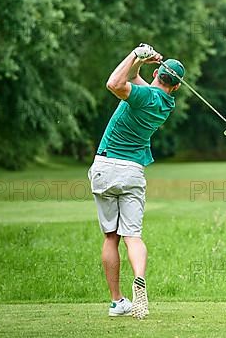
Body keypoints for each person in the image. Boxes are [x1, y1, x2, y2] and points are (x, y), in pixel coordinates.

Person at [88, 43, 185, 319]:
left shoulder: (145, 96)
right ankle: (139, 278)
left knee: (110, 237)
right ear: (176, 87)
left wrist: (135, 53)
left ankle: (117, 300)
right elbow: (132, 80)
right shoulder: (165, 102)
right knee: (133, 236)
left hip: (107, 166)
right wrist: (141, 62)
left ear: (158, 74)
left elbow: (114, 83)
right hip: (133, 172)